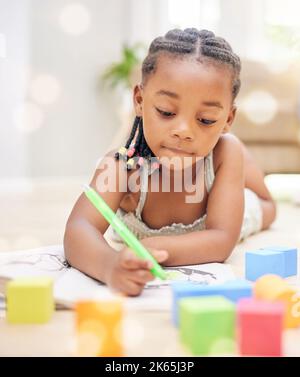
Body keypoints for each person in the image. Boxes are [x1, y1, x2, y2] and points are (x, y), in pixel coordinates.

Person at [64, 28, 276, 296]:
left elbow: (222, 240)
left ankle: (269, 189)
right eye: (166, 112)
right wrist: (110, 265)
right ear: (140, 101)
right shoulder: (121, 167)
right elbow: (78, 228)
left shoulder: (225, 153)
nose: (184, 130)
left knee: (265, 205)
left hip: (238, 211)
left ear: (227, 120)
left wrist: (150, 250)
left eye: (206, 120)